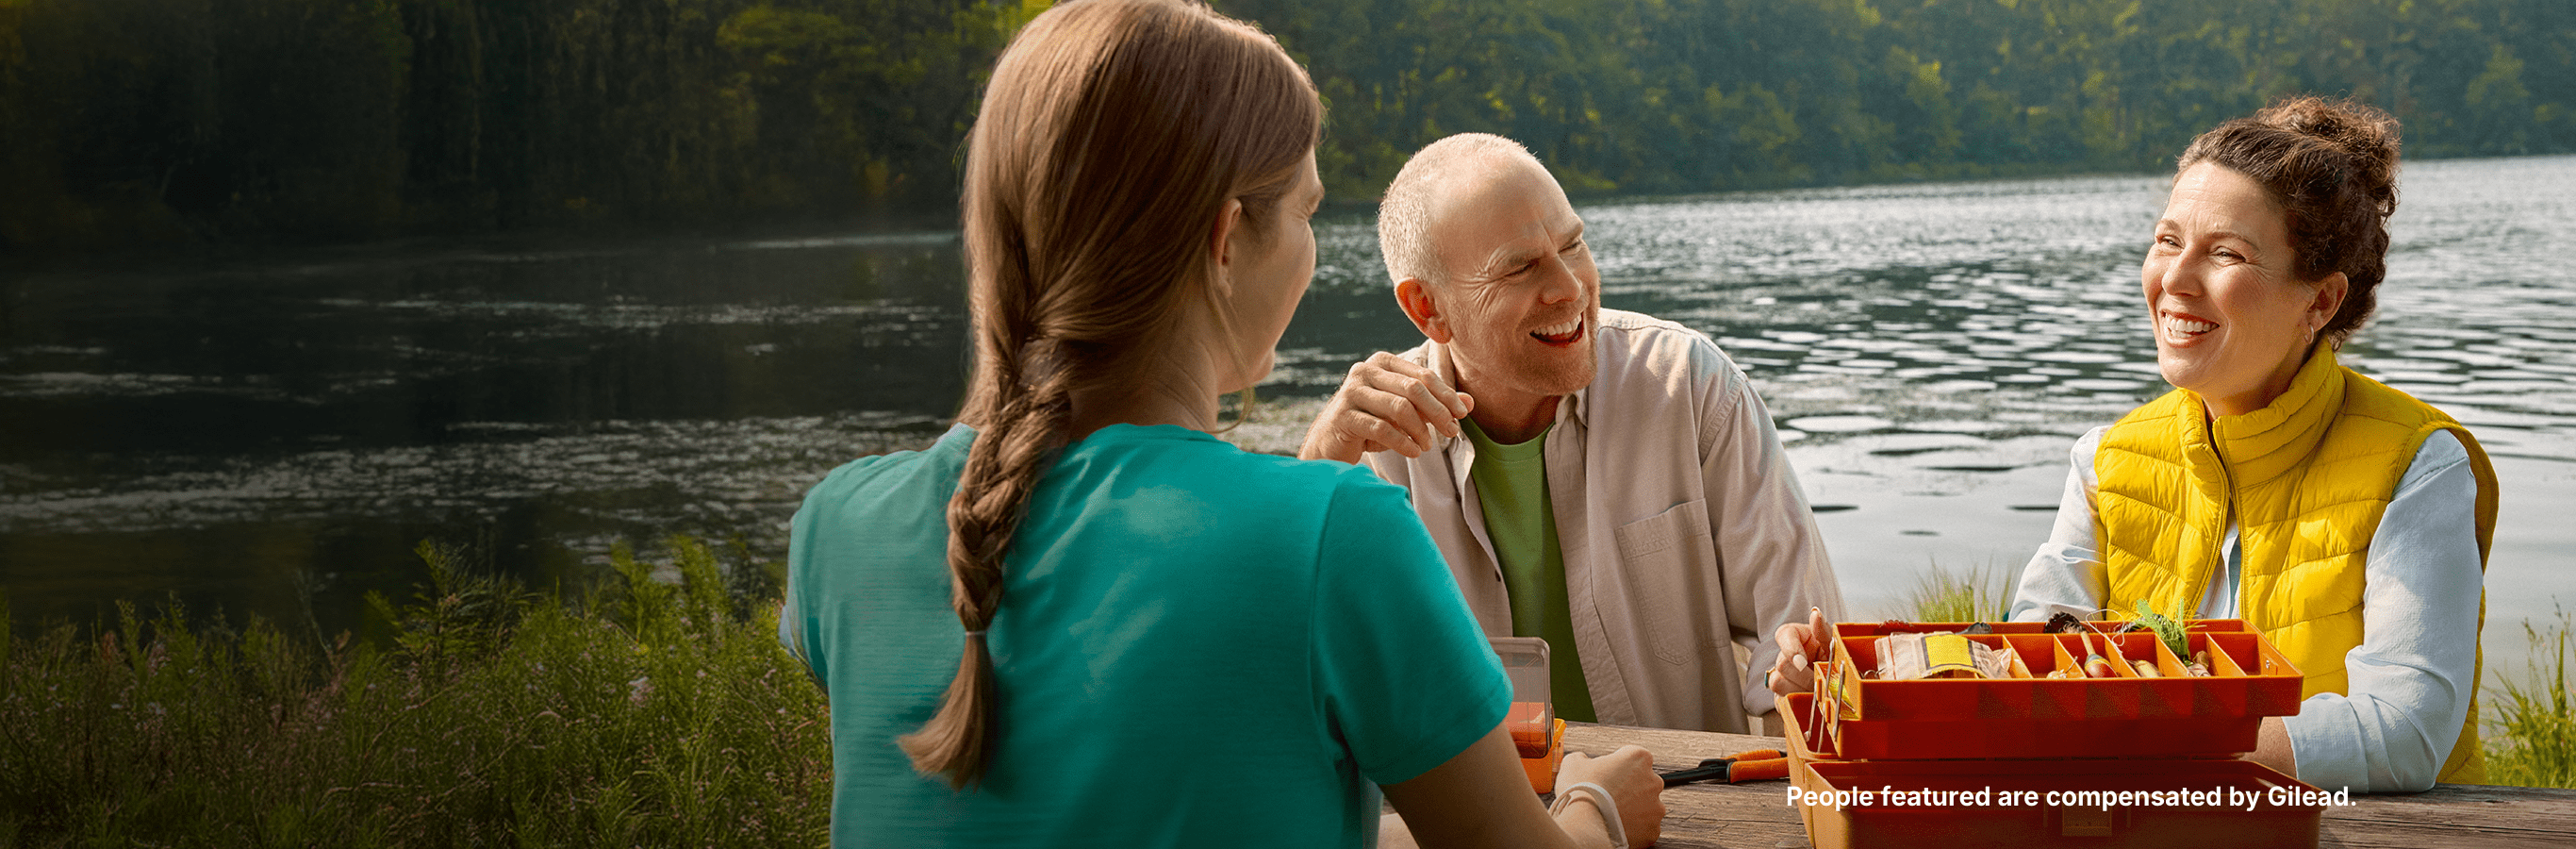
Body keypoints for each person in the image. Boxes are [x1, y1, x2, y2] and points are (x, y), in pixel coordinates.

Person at [774, 2, 1663, 847]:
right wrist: (1596, 805)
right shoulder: (1340, 532)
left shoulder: (835, 527)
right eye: (1309, 212)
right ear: (1228, 235)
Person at [1776, 96, 2497, 792]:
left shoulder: (2418, 463)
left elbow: (2407, 729)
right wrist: (1847, 689)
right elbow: (2029, 670)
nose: (2175, 281)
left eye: (2227, 254)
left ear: (2320, 301)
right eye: (2168, 240)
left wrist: (2140, 746)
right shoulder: (2106, 461)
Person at [1300, 132, 1844, 735]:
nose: (1569, 287)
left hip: (1696, 802)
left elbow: (1804, 641)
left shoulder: (1689, 386)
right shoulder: (1374, 450)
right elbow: (1297, 686)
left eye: (1573, 245)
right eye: (1520, 267)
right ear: (1428, 308)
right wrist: (1318, 467)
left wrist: (1798, 676)